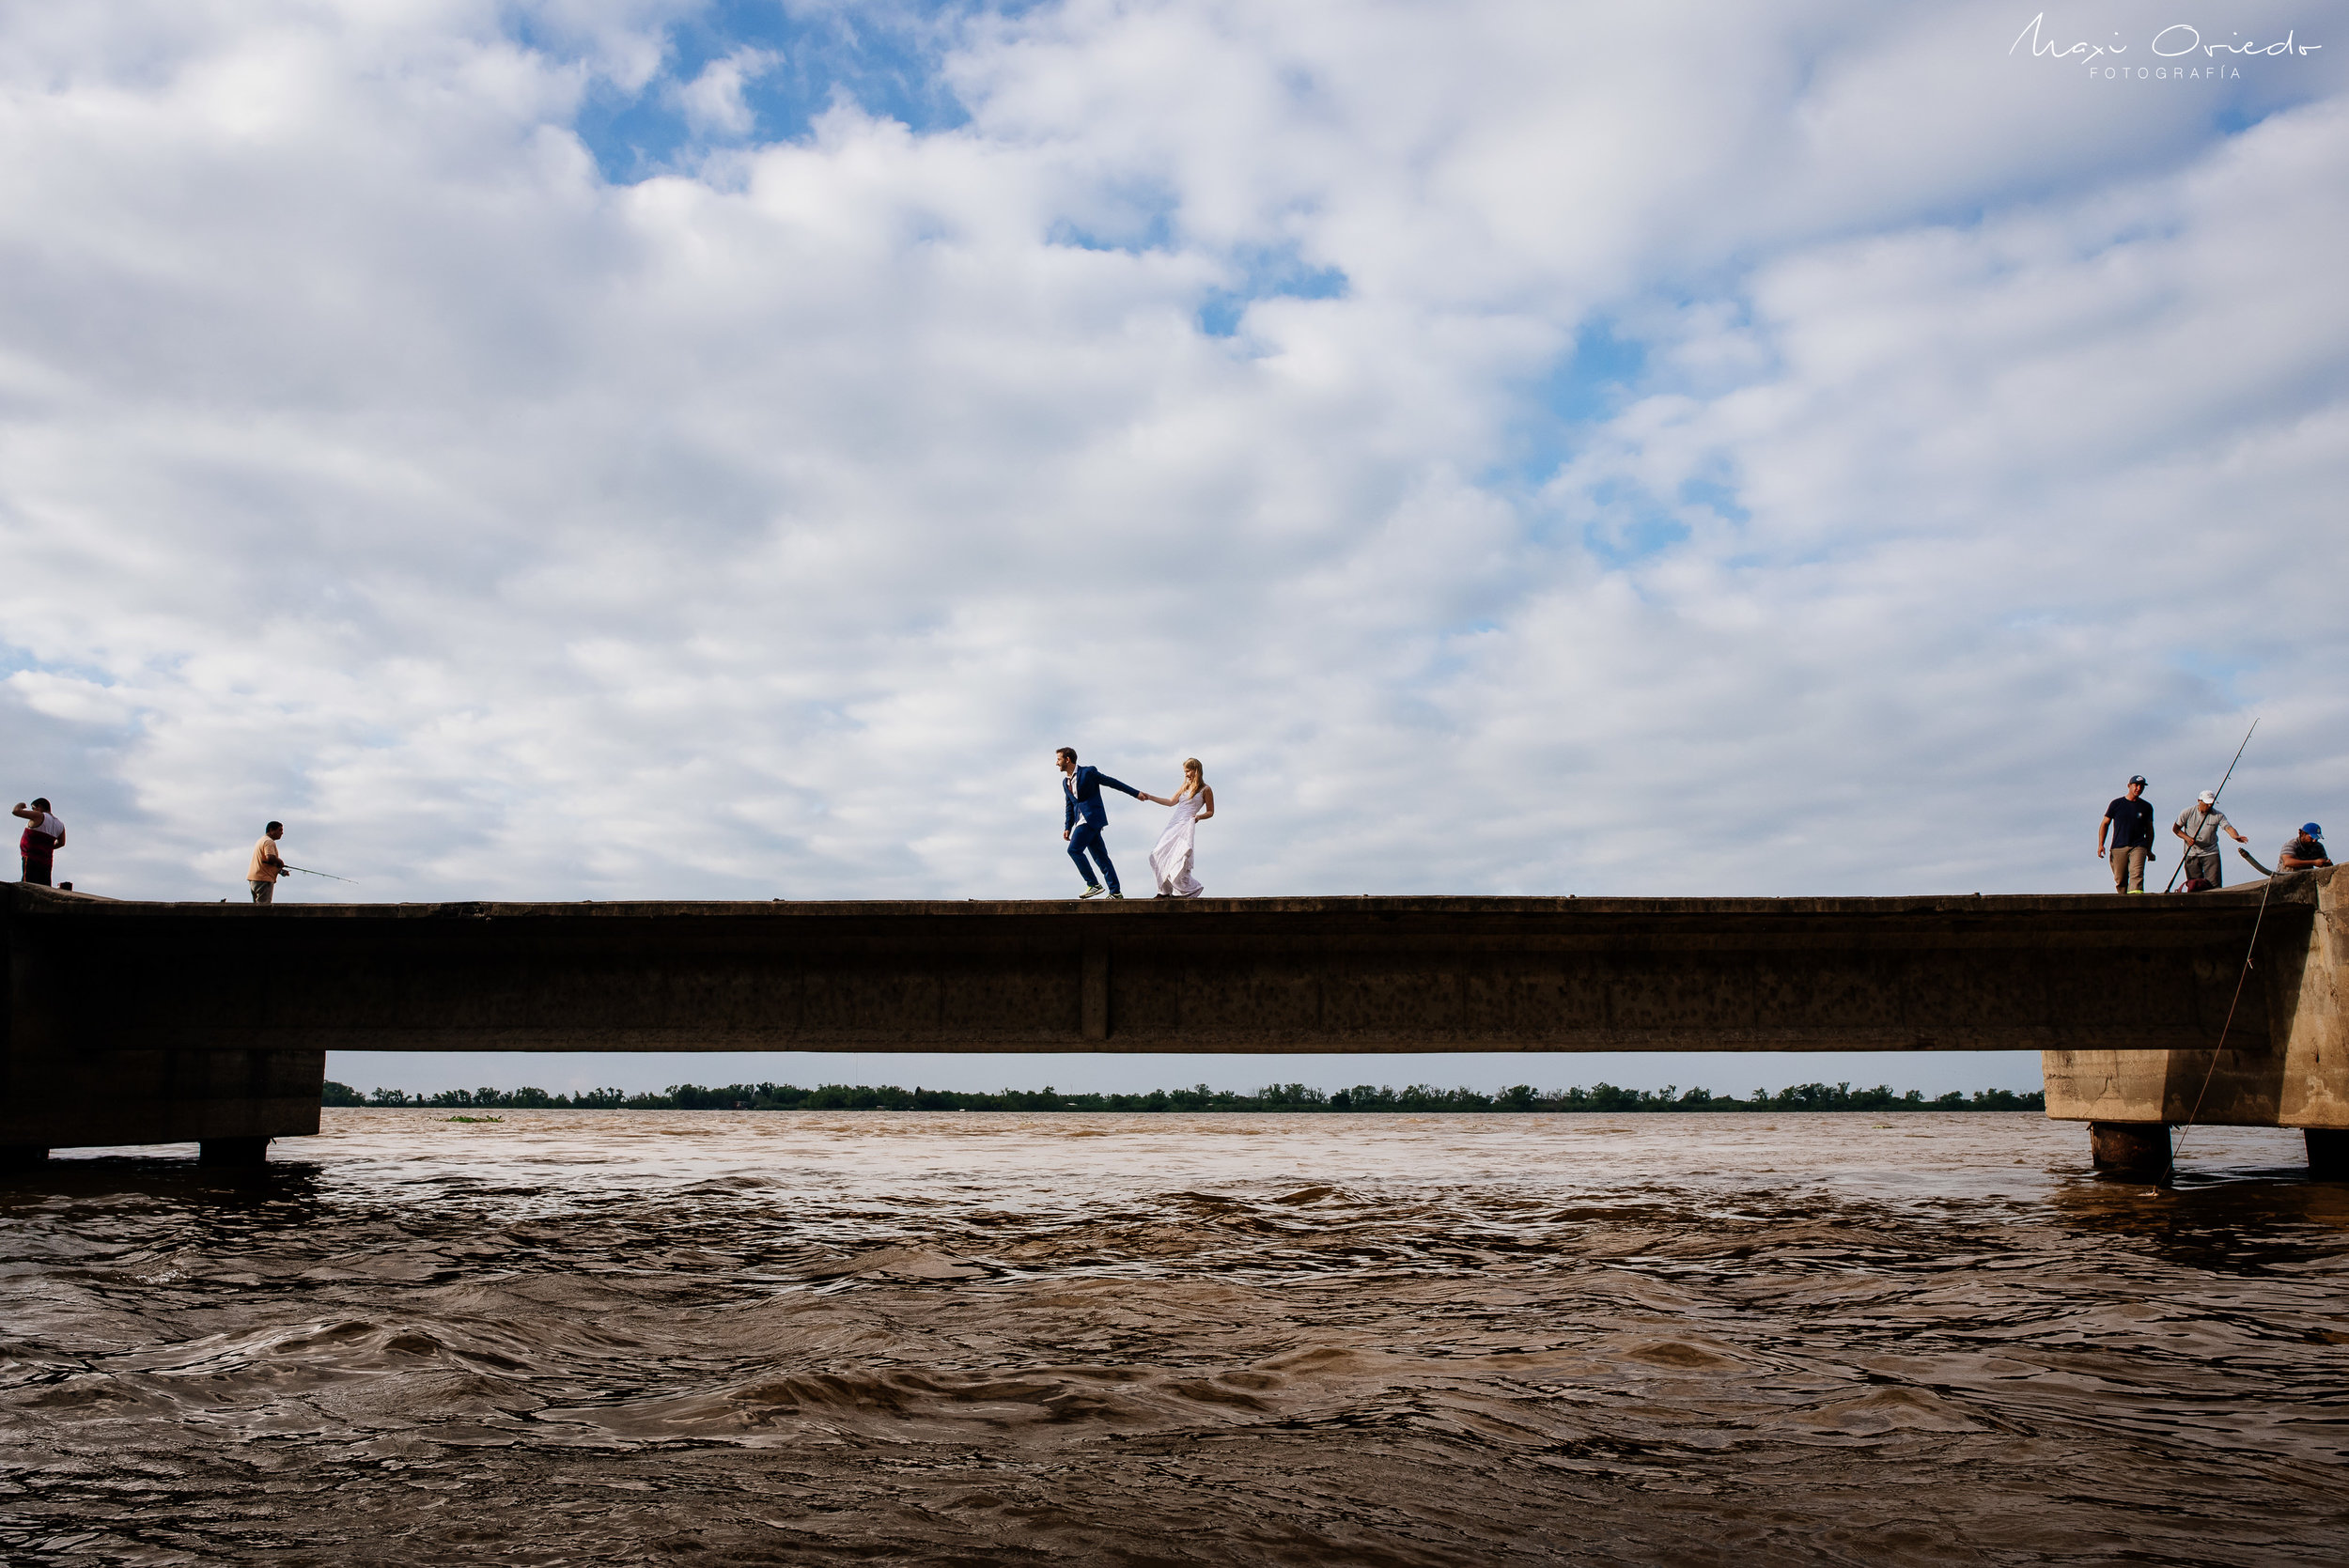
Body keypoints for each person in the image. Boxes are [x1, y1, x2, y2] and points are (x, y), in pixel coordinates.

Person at [1056, 747, 1142, 900]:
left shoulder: (1088, 772)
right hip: (1081, 821)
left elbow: (1112, 782)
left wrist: (1136, 793)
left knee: (1074, 850)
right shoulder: (1065, 782)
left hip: (1091, 818)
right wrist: (1067, 827)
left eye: (1059, 759)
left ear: (1067, 760)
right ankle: (1115, 892)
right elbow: (1070, 805)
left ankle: (1093, 884)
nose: (1056, 763)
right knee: (1101, 857)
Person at [1137, 758, 1215, 898]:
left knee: (1179, 857)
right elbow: (1170, 802)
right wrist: (1150, 797)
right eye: (1185, 772)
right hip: (1174, 823)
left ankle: (1187, 889)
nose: (1186, 775)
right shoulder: (1184, 787)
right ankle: (1164, 891)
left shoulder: (1206, 789)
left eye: (1188, 771)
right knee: (1156, 854)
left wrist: (1198, 817)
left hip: (1186, 825)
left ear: (1196, 770)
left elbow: (1211, 812)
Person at [2172, 790, 2249, 891]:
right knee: (2194, 884)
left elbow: (2228, 827)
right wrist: (2187, 838)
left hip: (2211, 852)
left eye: (2211, 803)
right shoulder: (2187, 812)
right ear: (2199, 801)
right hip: (2191, 853)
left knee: (2214, 885)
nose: (2209, 806)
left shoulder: (2218, 815)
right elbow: (2176, 829)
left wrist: (2235, 836)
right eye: (2207, 803)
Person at [2097, 775, 2155, 893]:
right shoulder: (2116, 804)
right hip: (2119, 845)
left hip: (2138, 845)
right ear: (2129, 786)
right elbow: (2105, 824)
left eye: (2141, 786)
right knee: (2120, 878)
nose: (2138, 788)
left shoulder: (2146, 807)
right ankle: (2123, 901)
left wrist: (2149, 850)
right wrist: (2101, 844)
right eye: (2136, 785)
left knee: (2137, 874)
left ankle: (2136, 900)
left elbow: (2149, 829)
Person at [12, 799, 64, 886]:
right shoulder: (60, 824)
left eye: (33, 808)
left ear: (39, 807)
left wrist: (21, 804)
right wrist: (47, 847)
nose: (32, 811)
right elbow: (61, 843)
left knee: (27, 885)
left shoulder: (39, 816)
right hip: (46, 861)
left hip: (31, 858)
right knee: (43, 886)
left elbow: (16, 811)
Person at [248, 821, 288, 905]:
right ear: (271, 830)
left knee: (255, 907)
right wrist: (280, 862)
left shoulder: (261, 840)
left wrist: (280, 870)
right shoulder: (269, 842)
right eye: (280, 830)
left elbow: (265, 862)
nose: (282, 833)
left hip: (254, 878)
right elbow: (270, 857)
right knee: (263, 908)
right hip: (264, 879)